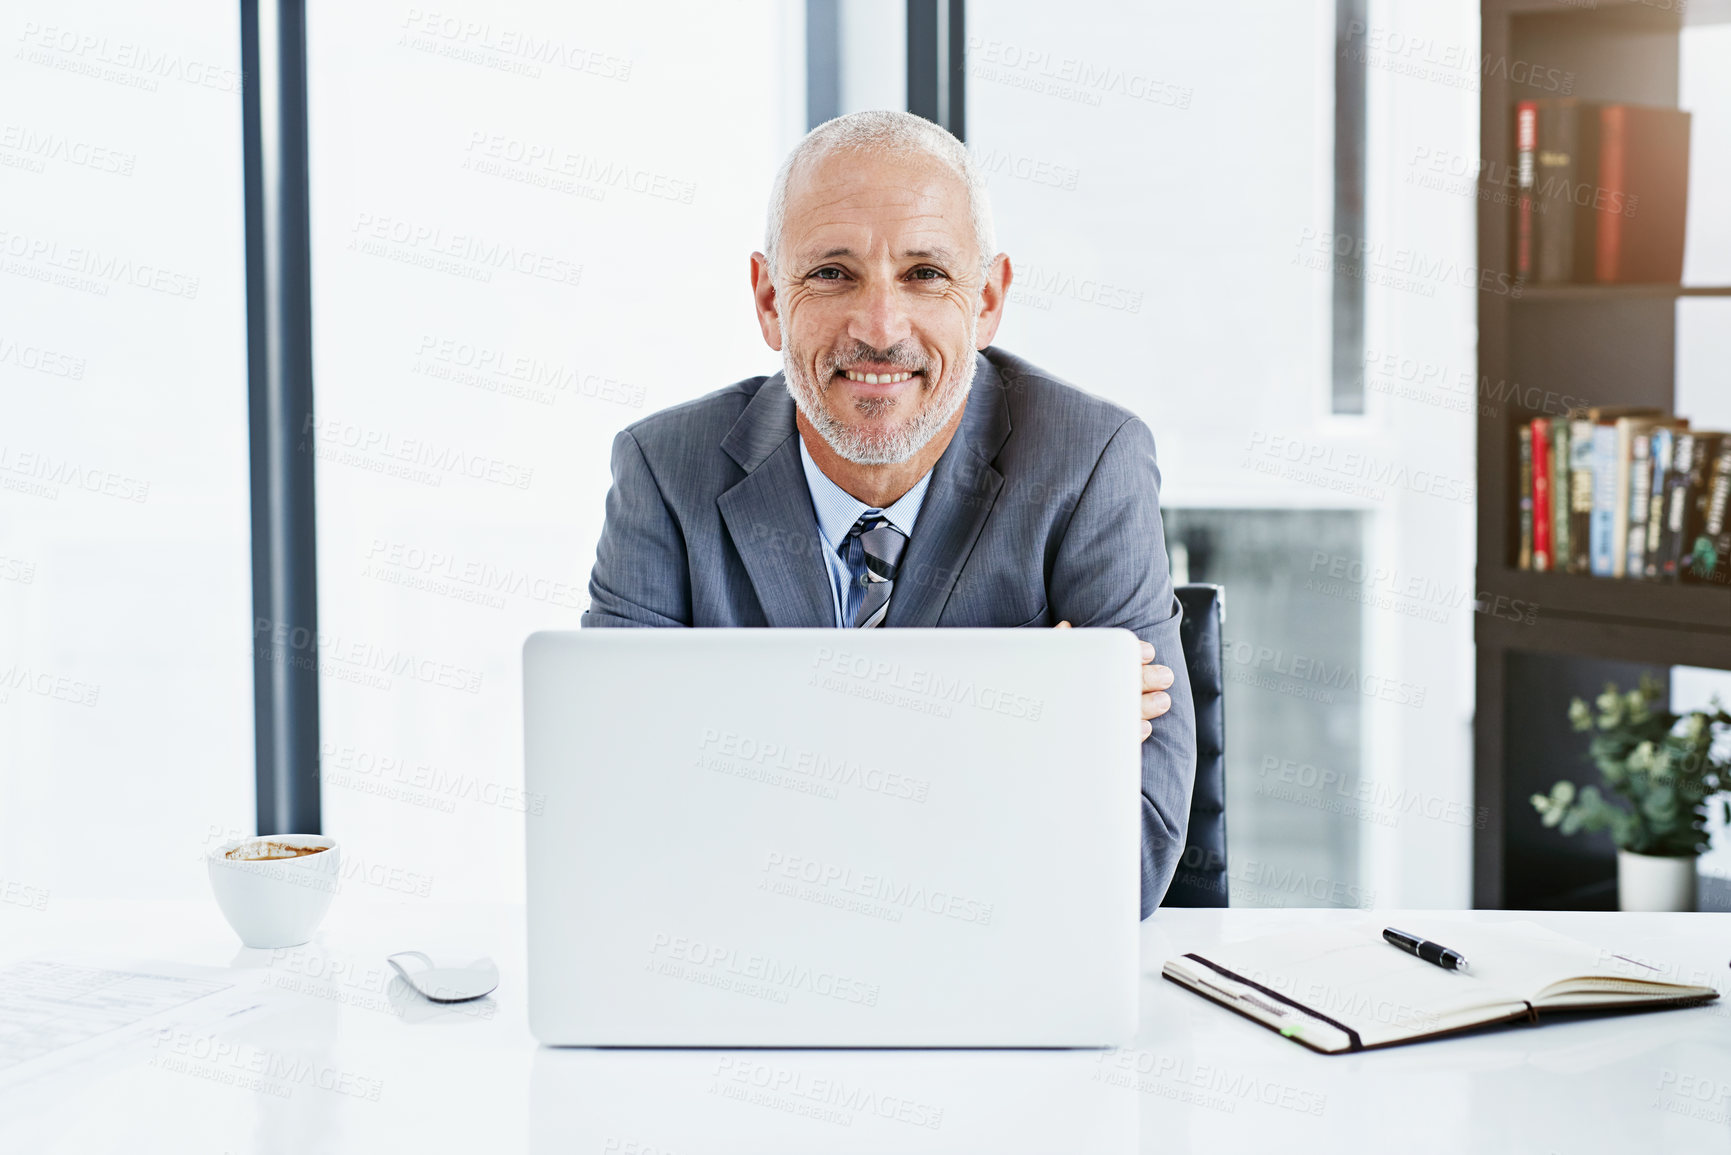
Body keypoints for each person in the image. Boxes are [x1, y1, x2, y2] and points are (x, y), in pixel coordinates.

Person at [582, 110, 1196, 916]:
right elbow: (621, 824)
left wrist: (765, 782)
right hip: (742, 994)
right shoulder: (665, 472)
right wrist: (1009, 728)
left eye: (925, 274)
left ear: (987, 300)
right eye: (833, 273)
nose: (878, 328)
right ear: (769, 299)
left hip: (998, 998)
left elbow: (1129, 858)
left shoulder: (1088, 463)